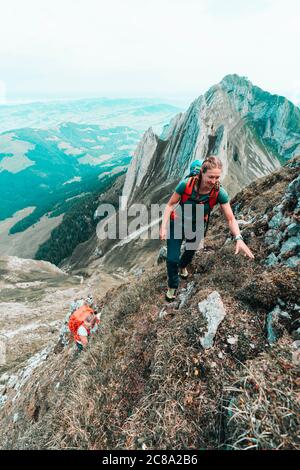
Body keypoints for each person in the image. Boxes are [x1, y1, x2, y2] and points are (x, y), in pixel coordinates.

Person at [159, 155, 254, 301]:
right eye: (211, 177)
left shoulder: (219, 192)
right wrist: (163, 227)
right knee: (172, 259)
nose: (214, 181)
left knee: (189, 253)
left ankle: (183, 266)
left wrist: (238, 238)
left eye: (217, 177)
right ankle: (173, 286)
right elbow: (170, 204)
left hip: (197, 227)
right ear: (201, 173)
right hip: (177, 223)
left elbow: (230, 218)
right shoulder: (186, 184)